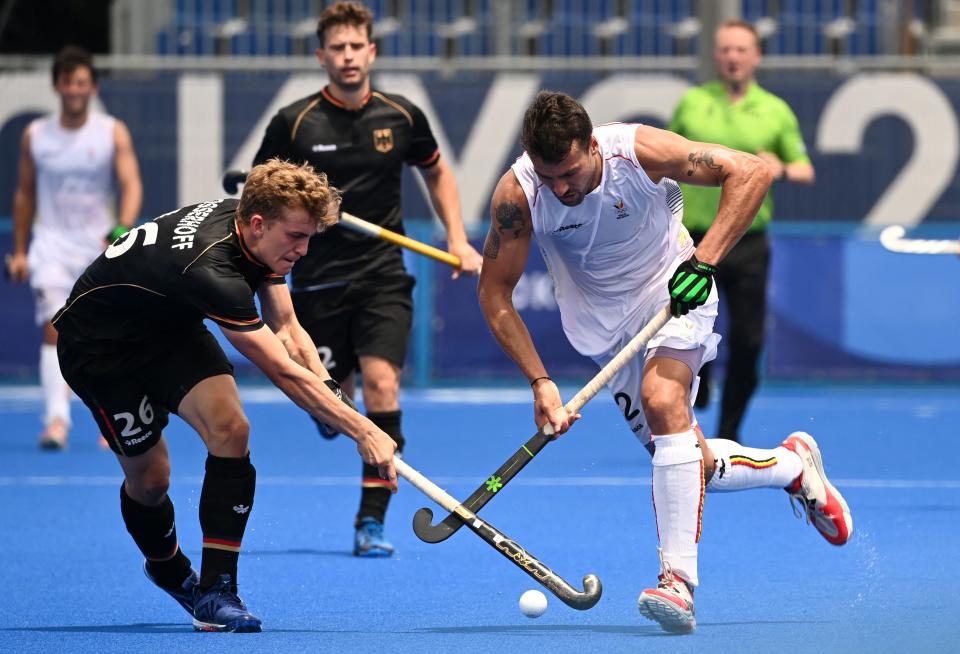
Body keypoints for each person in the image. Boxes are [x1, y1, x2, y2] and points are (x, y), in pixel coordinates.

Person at [478, 91, 851, 634]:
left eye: (570, 172)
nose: (562, 188)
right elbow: (495, 296)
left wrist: (705, 260)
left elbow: (751, 172)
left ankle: (677, 582)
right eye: (548, 175)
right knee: (690, 465)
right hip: (607, 333)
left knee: (662, 400)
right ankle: (793, 466)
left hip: (674, 290)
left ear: (590, 145)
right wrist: (540, 382)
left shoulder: (637, 151)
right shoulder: (519, 194)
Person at [51, 159, 399, 632]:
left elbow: (291, 333)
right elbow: (280, 368)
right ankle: (169, 570)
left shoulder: (261, 232)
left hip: (169, 329)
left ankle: (217, 591)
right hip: (100, 349)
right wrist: (363, 430)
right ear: (258, 225)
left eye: (309, 236)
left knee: (232, 428)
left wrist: (336, 400)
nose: (304, 249)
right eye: (297, 237)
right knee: (151, 480)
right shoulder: (211, 269)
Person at [252, 1, 483, 557]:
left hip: (382, 276)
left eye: (357, 46)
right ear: (321, 55)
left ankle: (371, 520)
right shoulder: (295, 121)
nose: (348, 56)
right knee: (334, 401)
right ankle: (332, 403)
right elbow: (257, 187)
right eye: (337, 48)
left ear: (371, 51)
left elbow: (436, 170)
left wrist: (455, 237)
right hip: (316, 282)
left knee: (383, 386)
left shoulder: (400, 115)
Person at [668, 19, 815, 442]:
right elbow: (666, 156)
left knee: (749, 343)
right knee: (686, 330)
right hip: (692, 240)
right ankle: (697, 400)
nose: (733, 57)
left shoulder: (775, 110)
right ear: (717, 56)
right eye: (726, 49)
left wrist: (780, 166)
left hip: (747, 242)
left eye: (741, 50)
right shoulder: (693, 103)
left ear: (756, 57)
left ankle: (730, 434)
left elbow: (805, 169)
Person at [6, 45, 143, 450]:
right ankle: (56, 422)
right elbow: (24, 194)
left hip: (99, 245)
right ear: (57, 87)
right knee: (54, 330)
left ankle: (112, 420)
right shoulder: (36, 135)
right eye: (67, 83)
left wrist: (123, 226)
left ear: (92, 87)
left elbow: (131, 182)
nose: (74, 90)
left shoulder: (111, 130)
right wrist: (19, 250)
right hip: (50, 245)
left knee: (104, 335)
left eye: (81, 83)